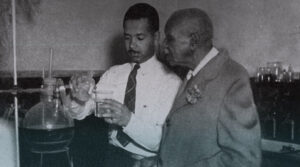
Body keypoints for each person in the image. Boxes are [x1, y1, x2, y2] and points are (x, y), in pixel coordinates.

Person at [136, 8, 261, 167]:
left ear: (193, 41)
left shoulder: (232, 77)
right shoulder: (192, 74)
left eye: (170, 39)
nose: (164, 46)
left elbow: (244, 160)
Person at [66, 3, 181, 167]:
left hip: (149, 163)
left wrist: (128, 120)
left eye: (140, 38)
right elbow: (80, 113)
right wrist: (80, 99)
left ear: (156, 37)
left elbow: (164, 141)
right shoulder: (113, 74)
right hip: (113, 158)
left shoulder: (171, 83)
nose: (132, 45)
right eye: (127, 38)